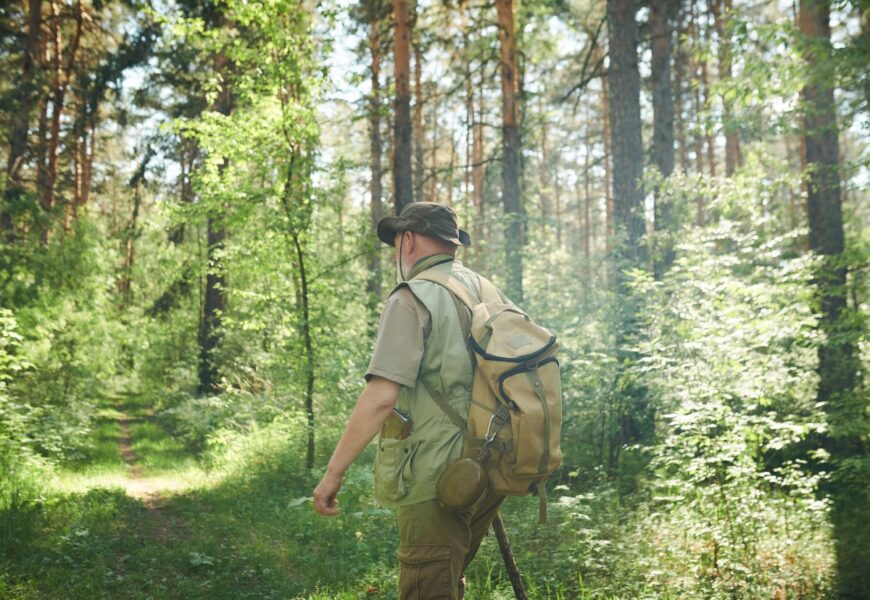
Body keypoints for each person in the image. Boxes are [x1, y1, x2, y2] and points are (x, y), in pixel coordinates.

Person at [313, 201, 508, 599]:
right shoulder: (485, 289)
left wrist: (333, 473)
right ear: (452, 243)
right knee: (446, 578)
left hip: (439, 475)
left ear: (408, 238)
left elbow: (381, 397)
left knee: (427, 587)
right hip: (490, 466)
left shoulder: (413, 296)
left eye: (396, 241)